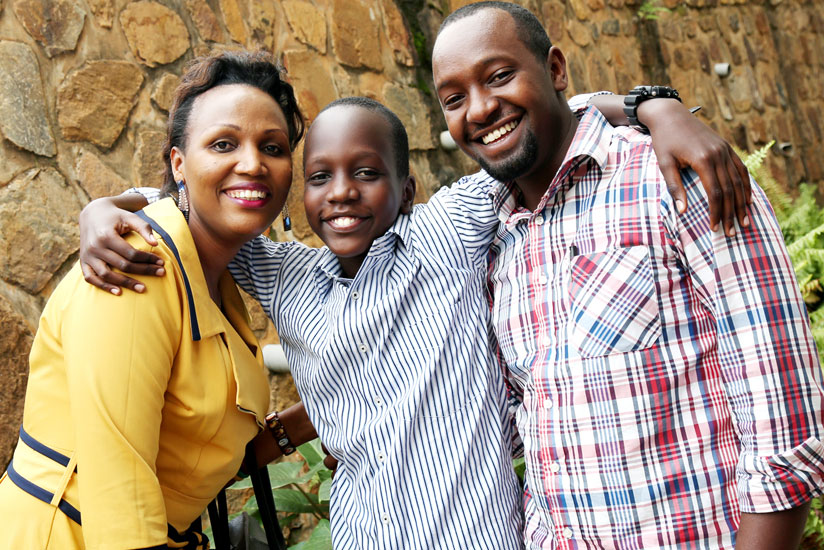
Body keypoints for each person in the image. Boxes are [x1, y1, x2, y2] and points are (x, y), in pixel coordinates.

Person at [431, 2, 824, 548]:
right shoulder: (488, 235)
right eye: (454, 99)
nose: (479, 108)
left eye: (499, 76)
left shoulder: (678, 176)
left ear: (556, 69)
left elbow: (782, 418)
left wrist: (655, 108)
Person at [0, 50, 316, 549]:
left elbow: (190, 454)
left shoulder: (222, 278)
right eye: (224, 143)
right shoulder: (135, 268)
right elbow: (120, 495)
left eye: (272, 147)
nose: (253, 164)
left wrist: (319, 417)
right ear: (179, 164)